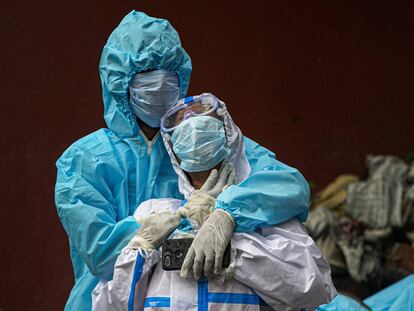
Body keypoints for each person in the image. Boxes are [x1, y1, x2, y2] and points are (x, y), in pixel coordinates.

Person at [55, 12, 309, 311]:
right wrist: (167, 227)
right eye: (147, 77)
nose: (160, 87)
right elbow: (101, 253)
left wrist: (227, 214)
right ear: (119, 82)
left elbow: (288, 186)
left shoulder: (197, 138)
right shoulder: (84, 159)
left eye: (168, 76)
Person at [91, 93, 336, 310]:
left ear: (227, 135)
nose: (190, 117)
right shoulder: (155, 212)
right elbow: (107, 306)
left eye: (201, 115)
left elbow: (314, 288)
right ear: (173, 150)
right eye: (181, 121)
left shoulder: (265, 214)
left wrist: (233, 252)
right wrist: (139, 251)